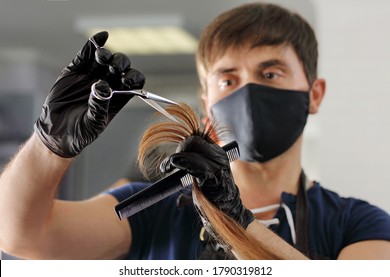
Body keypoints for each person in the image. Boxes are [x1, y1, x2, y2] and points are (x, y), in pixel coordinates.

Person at [0, 2, 390, 260]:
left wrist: (238, 221)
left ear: (314, 95)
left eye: (270, 73)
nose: (248, 91)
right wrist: (49, 144)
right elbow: (21, 235)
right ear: (207, 100)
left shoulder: (358, 223)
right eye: (228, 79)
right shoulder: (154, 211)